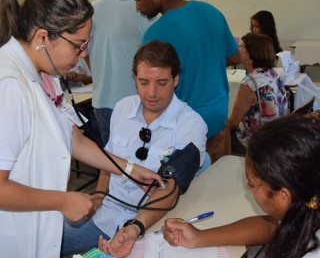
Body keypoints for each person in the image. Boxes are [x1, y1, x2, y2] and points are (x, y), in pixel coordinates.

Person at [0, 0, 162, 258]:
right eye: (78, 45)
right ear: (42, 37)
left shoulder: (42, 74)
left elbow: (72, 138)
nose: (84, 53)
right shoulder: (10, 86)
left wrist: (130, 169)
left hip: (36, 228)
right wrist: (62, 200)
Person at [62, 41, 208, 257]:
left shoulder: (192, 125)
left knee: (49, 243)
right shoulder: (122, 107)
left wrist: (135, 227)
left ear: (175, 79)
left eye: (162, 82)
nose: (152, 93)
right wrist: (100, 195)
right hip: (107, 212)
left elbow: (170, 188)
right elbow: (108, 161)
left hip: (150, 223)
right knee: (44, 230)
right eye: (143, 82)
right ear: (135, 80)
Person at [118, 0, 241, 163]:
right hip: (218, 116)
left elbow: (154, 82)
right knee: (216, 180)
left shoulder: (156, 33)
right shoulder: (211, 12)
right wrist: (206, 62)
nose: (137, 6)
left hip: (185, 127)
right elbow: (236, 57)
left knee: (186, 188)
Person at [163, 115, 320, 258]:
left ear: (283, 196)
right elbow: (271, 227)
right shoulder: (305, 205)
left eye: (252, 184)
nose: (248, 188)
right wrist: (198, 237)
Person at [88, 0, 155, 147]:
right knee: (138, 162)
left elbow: (84, 54)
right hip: (135, 101)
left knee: (112, 164)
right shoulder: (143, 8)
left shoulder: (92, 9)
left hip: (100, 101)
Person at [228, 33, 288, 154]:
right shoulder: (272, 73)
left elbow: (233, 122)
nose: (237, 49)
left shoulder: (250, 83)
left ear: (251, 52)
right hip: (278, 135)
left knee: (217, 138)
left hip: (257, 142)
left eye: (240, 46)